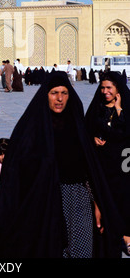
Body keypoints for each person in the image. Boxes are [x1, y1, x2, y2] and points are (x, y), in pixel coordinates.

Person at [0, 71, 123, 258]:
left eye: (64, 93)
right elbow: (18, 171)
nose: (59, 99)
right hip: (44, 201)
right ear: (46, 95)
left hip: (78, 198)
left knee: (81, 251)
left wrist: (96, 204)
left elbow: (88, 170)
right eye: (54, 93)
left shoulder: (77, 127)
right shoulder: (32, 128)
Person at [85, 71, 130, 255]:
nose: (104, 92)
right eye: (102, 88)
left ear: (117, 89)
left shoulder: (127, 107)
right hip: (102, 169)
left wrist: (119, 109)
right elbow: (85, 130)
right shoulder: (97, 108)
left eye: (109, 88)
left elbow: (126, 132)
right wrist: (92, 138)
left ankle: (126, 236)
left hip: (124, 168)